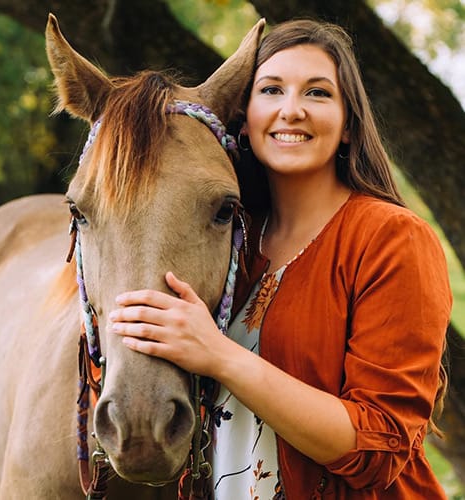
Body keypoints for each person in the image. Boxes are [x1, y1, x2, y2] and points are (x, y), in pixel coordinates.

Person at [108, 18, 452, 499]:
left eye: (317, 93)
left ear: (349, 125)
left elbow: (379, 449)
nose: (292, 111)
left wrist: (219, 354)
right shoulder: (230, 237)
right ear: (244, 121)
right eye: (271, 90)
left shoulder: (392, 238)